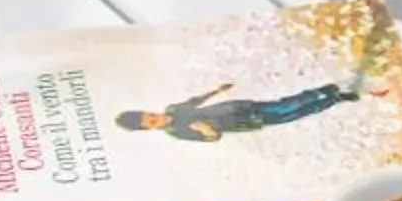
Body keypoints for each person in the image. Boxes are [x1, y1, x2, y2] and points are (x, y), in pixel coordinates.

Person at [117, 76, 362, 143]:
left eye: (150, 114)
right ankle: (333, 98)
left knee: (286, 105)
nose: (155, 118)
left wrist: (218, 91)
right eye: (150, 122)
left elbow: (195, 101)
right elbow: (213, 138)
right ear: (149, 129)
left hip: (238, 107)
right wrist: (206, 130)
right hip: (242, 123)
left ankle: (325, 91)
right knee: (293, 115)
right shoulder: (176, 132)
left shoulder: (173, 109)